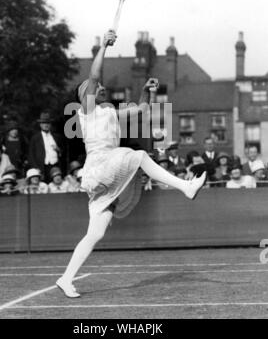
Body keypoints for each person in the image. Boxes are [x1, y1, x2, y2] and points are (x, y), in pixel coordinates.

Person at [56, 30, 206, 298]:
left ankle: (66, 279)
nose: (101, 87)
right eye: (96, 88)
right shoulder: (87, 110)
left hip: (106, 171)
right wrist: (103, 46)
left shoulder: (110, 111)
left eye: (100, 87)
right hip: (99, 167)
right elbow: (93, 76)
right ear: (85, 96)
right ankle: (185, 187)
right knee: (138, 156)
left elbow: (142, 110)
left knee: (95, 233)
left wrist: (146, 91)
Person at [28, 112, 65, 183]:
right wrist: (36, 168)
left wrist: (58, 150)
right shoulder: (35, 138)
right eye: (44, 123)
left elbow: (64, 153)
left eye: (48, 123)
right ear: (40, 125)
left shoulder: (57, 137)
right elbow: (31, 155)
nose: (46, 125)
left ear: (50, 125)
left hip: (55, 166)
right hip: (42, 167)